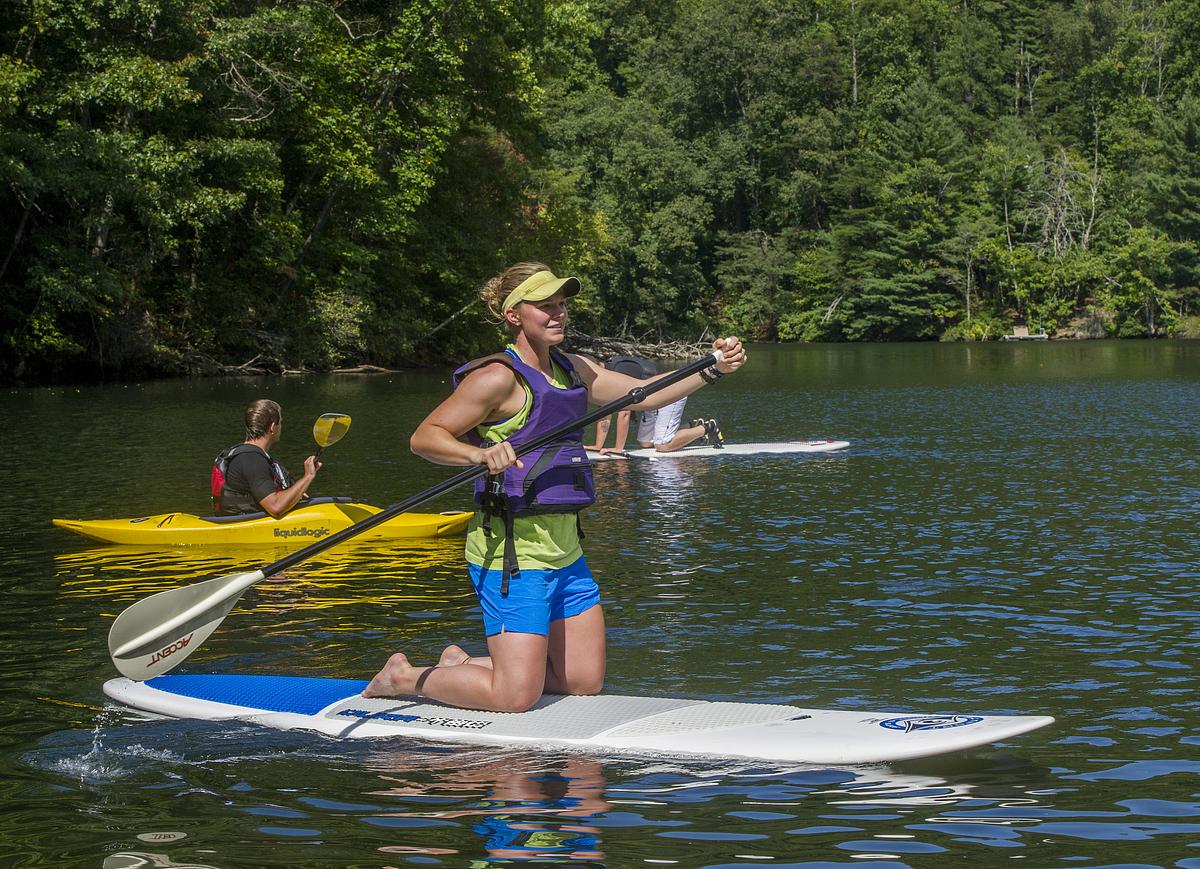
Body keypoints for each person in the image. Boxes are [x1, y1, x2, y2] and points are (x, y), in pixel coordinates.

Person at [363, 261, 746, 711]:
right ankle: (404, 678)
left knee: (583, 683)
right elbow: (424, 437)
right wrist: (480, 454)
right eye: (545, 306)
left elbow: (646, 390)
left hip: (566, 550)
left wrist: (714, 369)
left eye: (561, 304)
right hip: (510, 553)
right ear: (514, 315)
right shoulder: (496, 378)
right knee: (515, 697)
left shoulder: (574, 369)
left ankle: (461, 663)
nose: (558, 314)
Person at [588, 355, 723, 454]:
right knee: (646, 443)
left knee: (662, 445)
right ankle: (692, 426)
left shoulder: (617, 369)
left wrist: (618, 449)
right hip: (651, 397)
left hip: (671, 391)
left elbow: (624, 413)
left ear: (597, 366)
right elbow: (605, 411)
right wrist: (598, 446)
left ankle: (708, 428)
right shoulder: (607, 372)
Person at [211, 399, 321, 516]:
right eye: (281, 423)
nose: (281, 427)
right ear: (273, 427)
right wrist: (308, 476)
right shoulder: (252, 459)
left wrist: (294, 495)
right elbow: (275, 507)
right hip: (248, 529)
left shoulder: (246, 455)